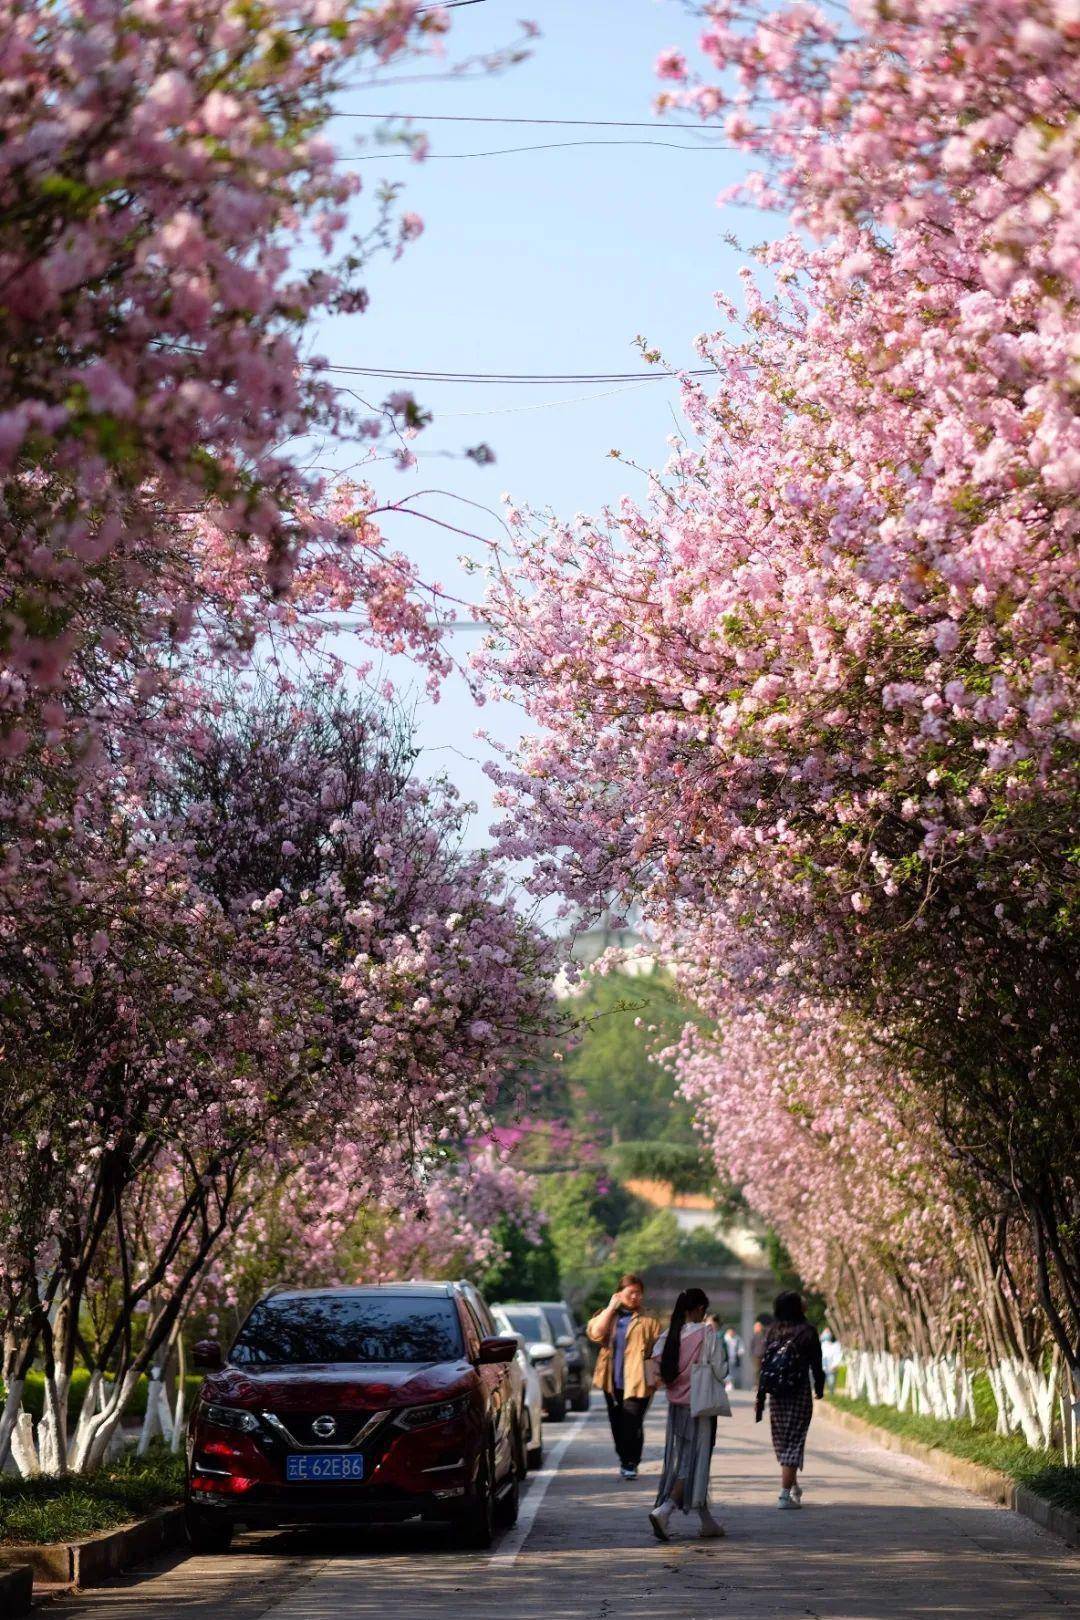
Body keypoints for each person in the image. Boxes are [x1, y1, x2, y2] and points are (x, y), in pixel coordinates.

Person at [647, 1287, 725, 1542]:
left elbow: (656, 1369)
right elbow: (720, 1369)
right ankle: (665, 1509)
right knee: (694, 1461)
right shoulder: (707, 1334)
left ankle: (706, 1519)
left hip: (676, 1406)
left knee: (684, 1457)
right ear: (701, 1309)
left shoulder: (668, 1336)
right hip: (700, 1405)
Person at [587, 1273, 662, 1479]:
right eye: (631, 1293)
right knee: (617, 1422)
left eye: (639, 1293)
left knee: (632, 1421)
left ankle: (631, 1462)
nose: (635, 1297)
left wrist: (659, 1377)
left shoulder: (649, 1318)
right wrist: (611, 1308)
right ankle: (625, 1458)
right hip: (611, 1379)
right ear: (619, 1294)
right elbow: (595, 1333)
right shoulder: (609, 1315)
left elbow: (659, 1348)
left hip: (639, 1380)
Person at [755, 1290, 825, 1509]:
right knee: (794, 1442)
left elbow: (765, 1363)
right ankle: (785, 1495)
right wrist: (819, 1387)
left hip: (776, 1394)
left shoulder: (772, 1331)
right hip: (798, 1392)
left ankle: (792, 1486)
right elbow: (816, 1363)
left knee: (783, 1441)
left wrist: (761, 1392)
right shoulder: (808, 1331)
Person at [750, 1312, 772, 1383]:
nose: (757, 1328)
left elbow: (768, 1344)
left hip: (765, 1355)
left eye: (758, 1326)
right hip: (756, 1356)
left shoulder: (765, 1334)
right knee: (757, 1371)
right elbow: (752, 1346)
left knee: (765, 1370)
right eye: (756, 1327)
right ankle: (757, 1384)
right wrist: (752, 1354)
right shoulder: (755, 1336)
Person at [722, 1324, 744, 1390]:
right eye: (730, 1331)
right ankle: (728, 1384)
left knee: (734, 1372)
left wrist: (740, 1352)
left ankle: (730, 1384)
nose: (731, 1333)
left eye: (732, 1331)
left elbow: (741, 1348)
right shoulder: (724, 1338)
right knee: (726, 1371)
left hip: (734, 1358)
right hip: (725, 1358)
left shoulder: (737, 1338)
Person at [821, 1327, 842, 1393]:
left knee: (831, 1384)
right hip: (821, 1368)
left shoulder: (836, 1345)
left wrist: (835, 1365)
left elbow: (838, 1356)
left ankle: (831, 1394)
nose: (827, 1334)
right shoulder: (820, 1345)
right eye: (825, 1332)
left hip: (832, 1368)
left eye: (828, 1332)